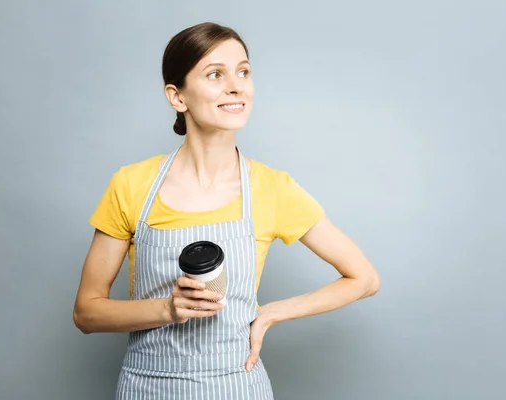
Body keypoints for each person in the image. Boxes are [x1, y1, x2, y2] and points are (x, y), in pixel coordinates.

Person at [73, 22, 380, 399]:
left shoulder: (273, 188)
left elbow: (364, 279)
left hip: (237, 386)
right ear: (177, 96)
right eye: (214, 74)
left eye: (243, 71)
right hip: (147, 387)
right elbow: (86, 313)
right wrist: (169, 309)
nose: (236, 86)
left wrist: (272, 312)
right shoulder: (130, 185)